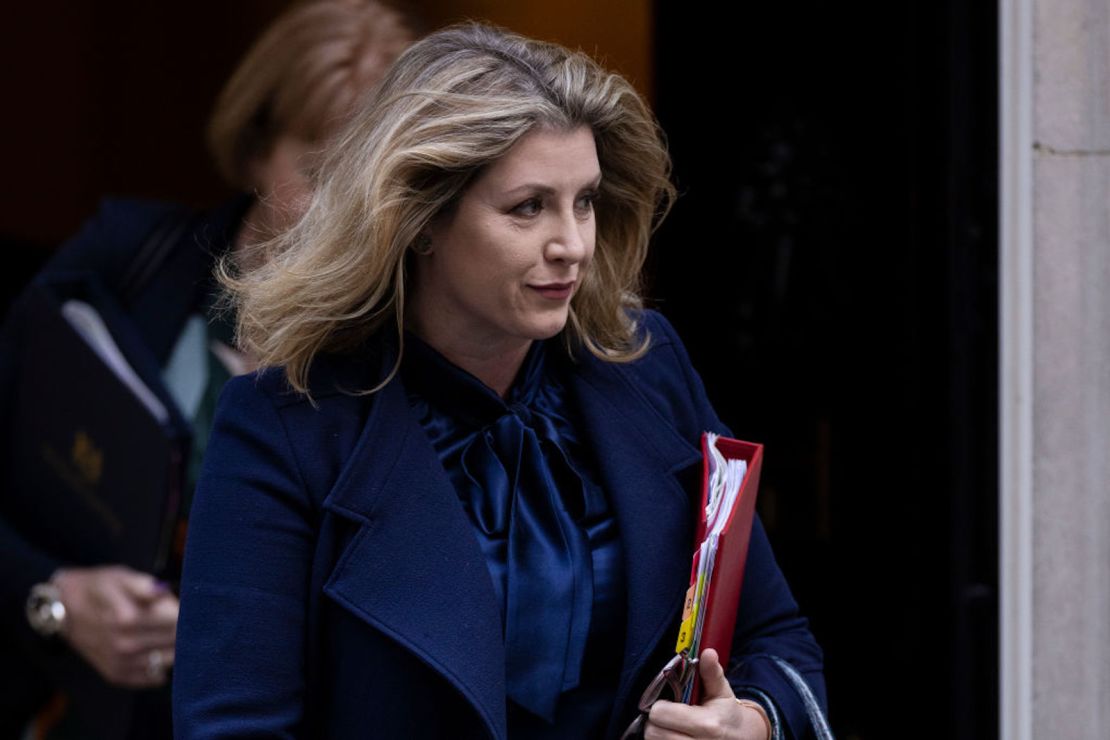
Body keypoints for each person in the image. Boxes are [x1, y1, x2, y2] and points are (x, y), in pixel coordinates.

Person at [173, 22, 828, 740]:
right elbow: (234, 726)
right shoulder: (282, 425)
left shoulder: (647, 366)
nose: (573, 244)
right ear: (417, 219)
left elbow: (778, 638)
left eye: (585, 201)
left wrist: (754, 722)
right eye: (528, 207)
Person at [0, 2, 416, 737]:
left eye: (378, 181)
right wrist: (53, 596)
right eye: (320, 172)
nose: (349, 213)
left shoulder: (413, 347)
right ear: (256, 147)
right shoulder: (128, 264)